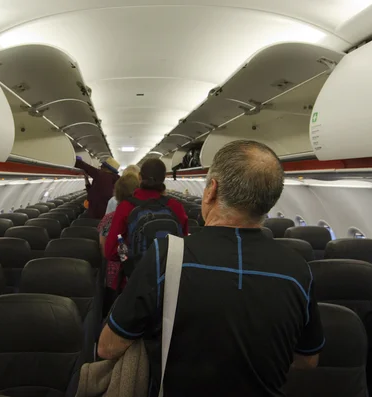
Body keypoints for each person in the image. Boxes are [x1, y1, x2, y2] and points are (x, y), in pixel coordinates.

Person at [98, 140, 323, 397]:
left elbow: (108, 347)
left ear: (211, 190)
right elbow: (308, 359)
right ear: (270, 199)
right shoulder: (298, 271)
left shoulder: (166, 256)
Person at [104, 158, 188, 261]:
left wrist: (129, 261)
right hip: (168, 273)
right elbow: (183, 242)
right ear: (164, 178)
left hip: (136, 274)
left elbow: (111, 251)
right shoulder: (176, 207)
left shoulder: (125, 207)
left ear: (139, 177)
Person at [98, 172, 141, 313]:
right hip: (139, 269)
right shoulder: (144, 215)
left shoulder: (109, 218)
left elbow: (104, 249)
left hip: (115, 272)